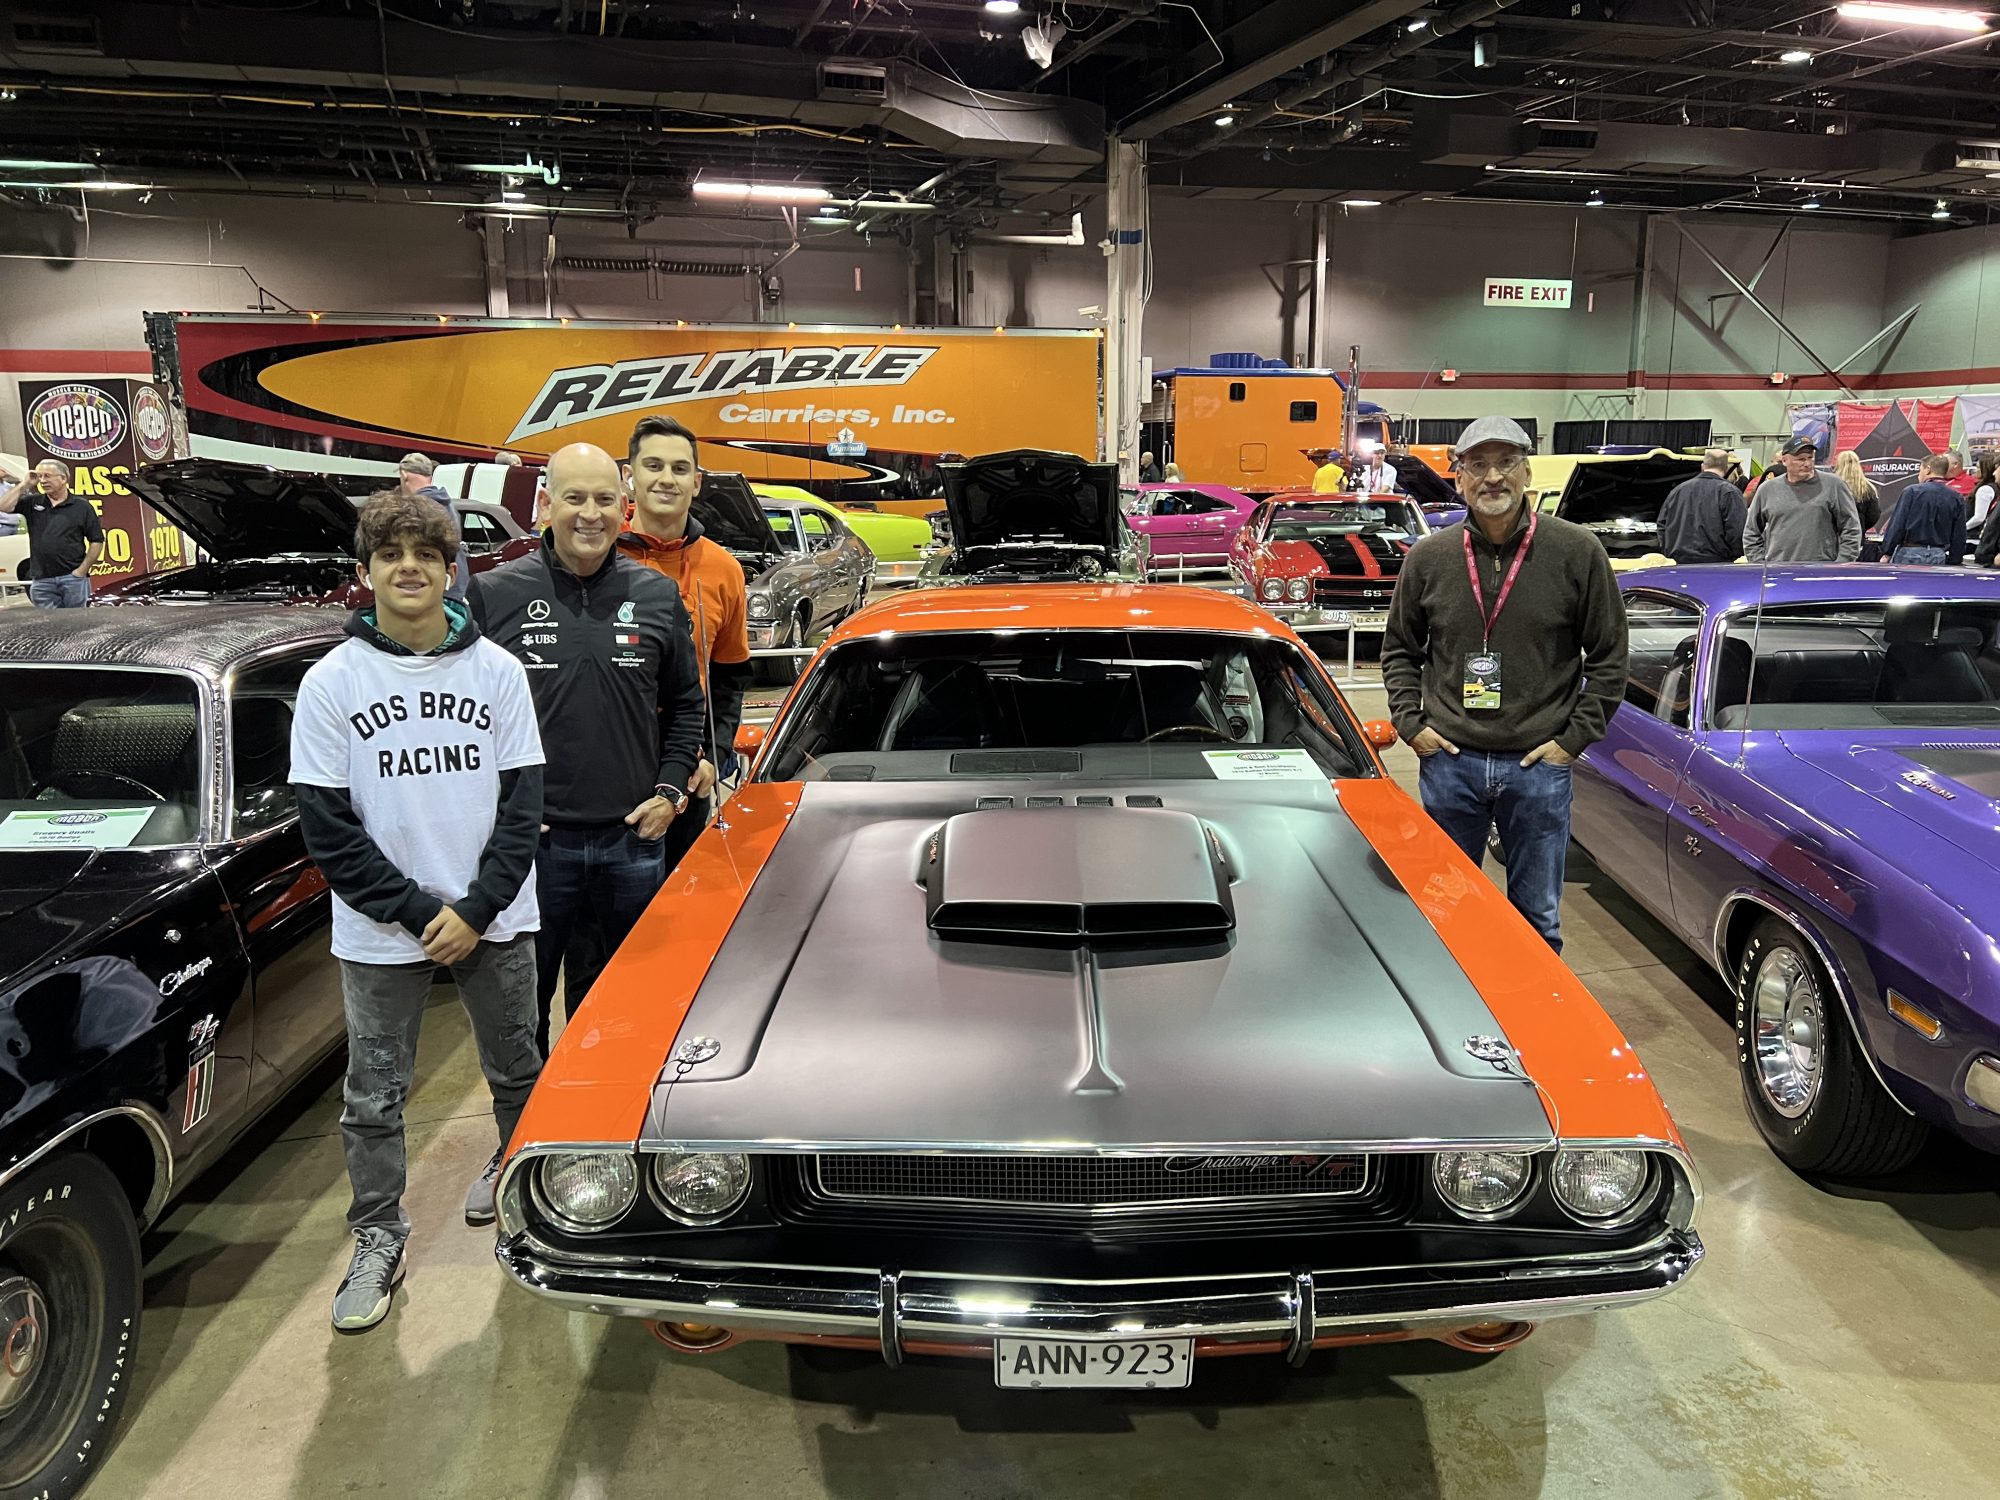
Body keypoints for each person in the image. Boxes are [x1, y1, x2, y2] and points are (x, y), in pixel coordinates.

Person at [288, 490, 545, 1333]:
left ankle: (527, 1203)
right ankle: (379, 1237)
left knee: (518, 1075)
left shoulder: (498, 672)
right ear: (366, 572)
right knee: (373, 1095)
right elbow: (327, 826)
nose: (409, 568)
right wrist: (416, 910)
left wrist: (474, 908)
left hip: (494, 920)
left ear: (448, 569)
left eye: (425, 555)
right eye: (391, 554)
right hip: (378, 933)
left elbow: (523, 808)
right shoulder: (332, 683)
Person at [470, 443, 705, 1057]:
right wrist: (501, 805)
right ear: (546, 503)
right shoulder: (494, 595)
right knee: (520, 1013)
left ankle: (605, 1141)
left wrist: (671, 792)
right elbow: (464, 720)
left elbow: (686, 706)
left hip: (633, 842)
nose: (590, 514)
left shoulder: (653, 596)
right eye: (574, 497)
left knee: (623, 1012)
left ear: (625, 509)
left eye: (605, 499)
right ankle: (523, 1137)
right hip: (530, 851)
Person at [1381, 416, 1627, 953]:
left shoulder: (1577, 552)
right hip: (1450, 763)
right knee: (1444, 910)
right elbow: (1400, 649)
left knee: (1536, 920)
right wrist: (1411, 725)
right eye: (1478, 464)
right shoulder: (1429, 558)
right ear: (1459, 476)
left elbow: (1609, 658)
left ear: (1527, 471)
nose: (1493, 477)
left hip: (1538, 768)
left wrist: (1571, 741)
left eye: (1506, 462)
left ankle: (1533, 1030)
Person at [615, 415, 751, 872]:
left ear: (696, 482)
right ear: (630, 476)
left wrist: (718, 753)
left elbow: (729, 675)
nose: (666, 479)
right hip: (603, 764)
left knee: (678, 910)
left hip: (687, 769)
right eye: (653, 465)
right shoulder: (598, 557)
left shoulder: (723, 569)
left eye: (679, 468)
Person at [0, 459, 103, 607]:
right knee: (49, 628)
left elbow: (97, 541)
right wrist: (24, 485)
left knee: (79, 625)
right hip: (41, 581)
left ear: (63, 478)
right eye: (40, 476)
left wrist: (81, 571)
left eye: (47, 476)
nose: (42, 481)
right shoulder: (32, 502)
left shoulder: (82, 506)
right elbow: (3, 507)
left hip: (73, 579)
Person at [1744, 438, 1861, 563]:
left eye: (1810, 457)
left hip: (1821, 571)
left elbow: (1851, 529)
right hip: (1779, 571)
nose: (1807, 463)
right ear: (1784, 460)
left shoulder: (1834, 485)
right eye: (1801, 459)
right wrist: (1759, 564)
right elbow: (1751, 532)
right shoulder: (1767, 489)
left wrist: (1841, 564)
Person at [398, 453, 471, 599]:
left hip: (434, 591)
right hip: (456, 584)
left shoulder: (415, 509)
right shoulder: (447, 504)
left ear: (404, 475)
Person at [1656, 448, 1747, 564]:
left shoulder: (1677, 491)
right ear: (1725, 468)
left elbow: (1662, 525)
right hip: (1715, 565)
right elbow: (1737, 531)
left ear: (1702, 466)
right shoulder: (1730, 493)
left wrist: (1667, 551)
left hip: (1677, 564)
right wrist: (1733, 556)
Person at [1880, 455, 1968, 565]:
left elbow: (1898, 524)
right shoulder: (1956, 497)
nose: (1919, 475)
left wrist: (1887, 552)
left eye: (1920, 470)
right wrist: (1955, 559)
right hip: (1939, 555)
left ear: (1928, 469)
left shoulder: (1911, 492)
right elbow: (1959, 533)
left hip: (1909, 553)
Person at [1833, 450, 1880, 531]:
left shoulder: (1832, 486)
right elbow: (1874, 515)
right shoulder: (1868, 488)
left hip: (1833, 537)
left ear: (1838, 465)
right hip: (1857, 536)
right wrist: (1861, 526)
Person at [1971, 457, 1998, 530]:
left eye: (1978, 468)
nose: (1975, 470)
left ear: (1985, 469)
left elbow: (1979, 518)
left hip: (1974, 534)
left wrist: (1963, 527)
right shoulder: (1995, 487)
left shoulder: (1985, 490)